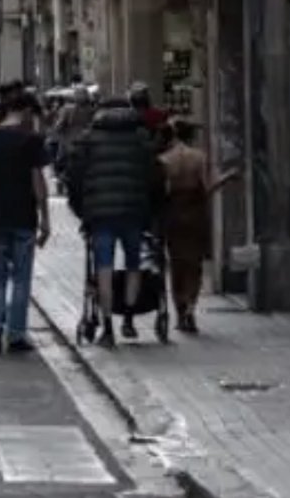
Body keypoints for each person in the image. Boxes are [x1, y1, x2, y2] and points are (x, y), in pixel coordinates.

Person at [67, 98, 157, 349]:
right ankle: (128, 317)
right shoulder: (140, 138)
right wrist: (151, 211)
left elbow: (74, 177)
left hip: (100, 215)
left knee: (103, 267)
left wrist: (81, 210)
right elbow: (154, 177)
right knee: (134, 264)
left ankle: (107, 326)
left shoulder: (89, 139)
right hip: (134, 212)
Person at [0, 92, 50, 356]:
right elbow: (38, 182)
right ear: (25, 111)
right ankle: (16, 335)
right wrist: (46, 219)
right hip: (24, 219)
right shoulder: (31, 141)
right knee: (21, 279)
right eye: (33, 115)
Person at [159, 119, 238, 334]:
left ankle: (179, 310)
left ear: (174, 135)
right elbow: (208, 186)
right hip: (195, 215)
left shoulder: (165, 160)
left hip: (173, 215)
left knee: (176, 265)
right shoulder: (199, 158)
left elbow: (161, 193)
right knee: (194, 264)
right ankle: (191, 309)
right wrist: (227, 177)